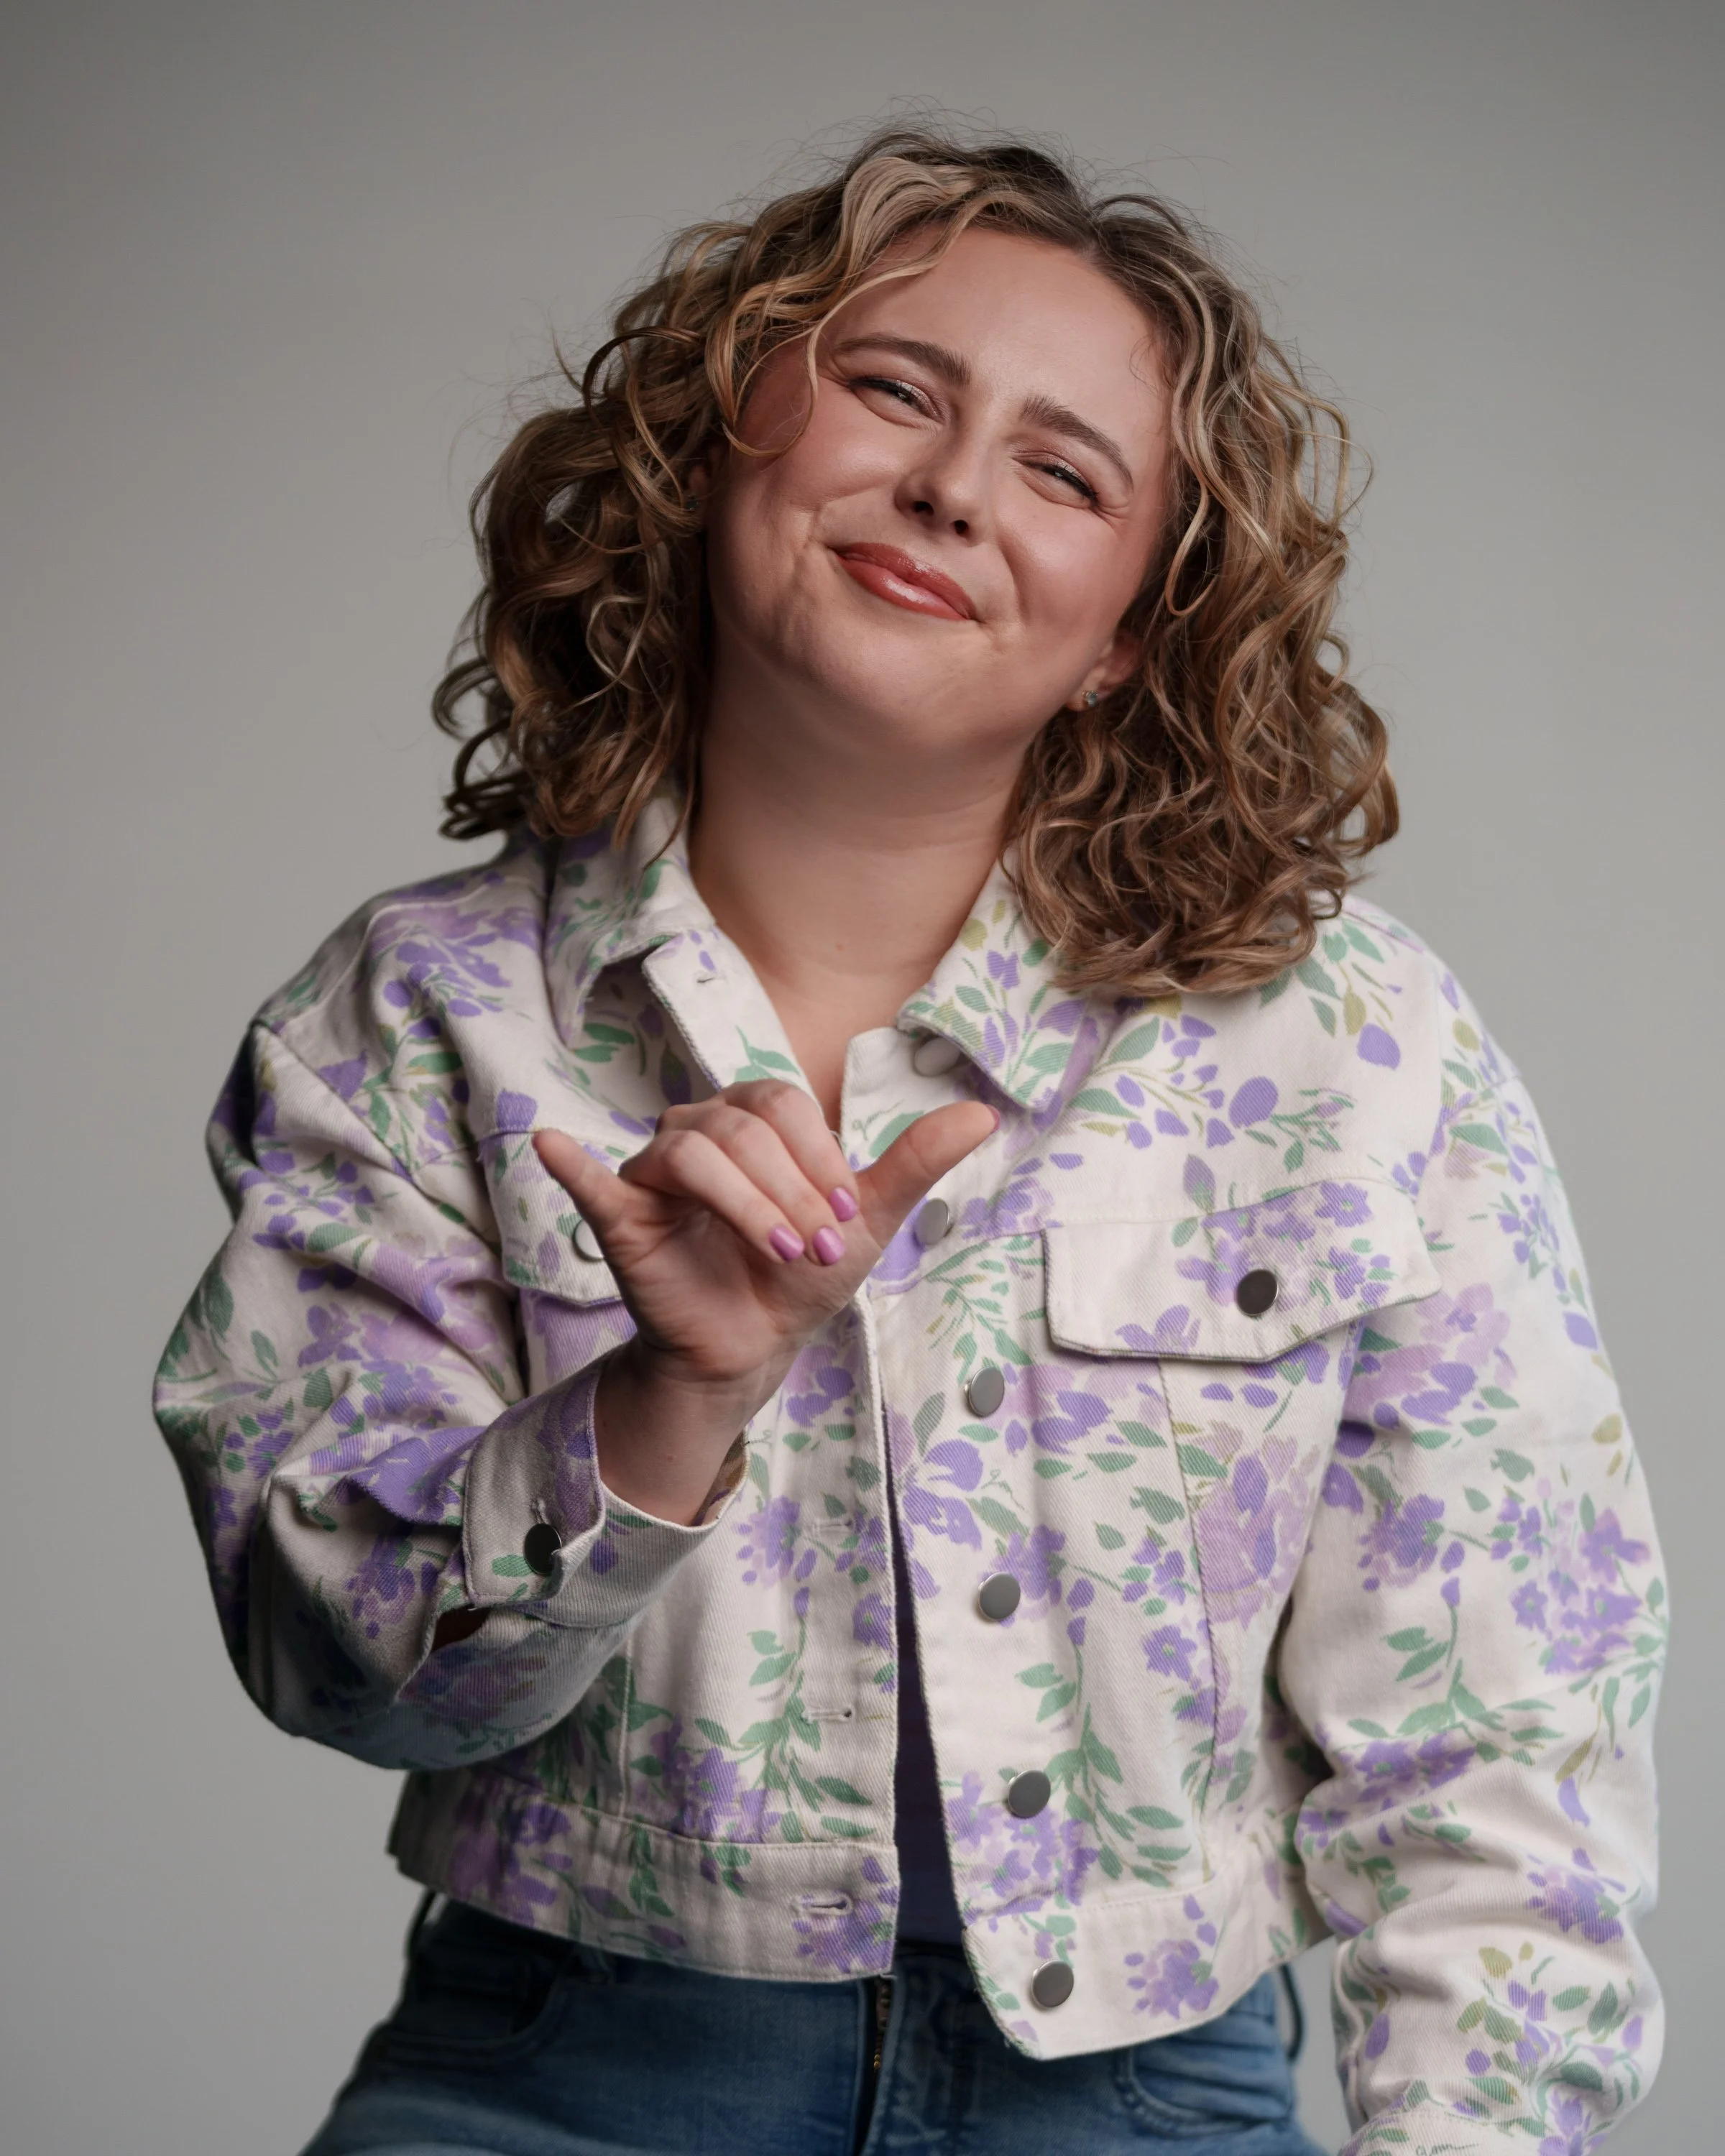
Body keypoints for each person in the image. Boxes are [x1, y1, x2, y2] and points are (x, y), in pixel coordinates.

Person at [154, 129, 1665, 2156]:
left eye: (1065, 470)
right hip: (570, 2071)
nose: (957, 488)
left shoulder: (1351, 1040)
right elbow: (337, 1666)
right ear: (717, 442)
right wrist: (664, 1405)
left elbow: (1503, 1747)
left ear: (1131, 623)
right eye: (896, 390)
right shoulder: (418, 1016)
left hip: (1146, 2098)